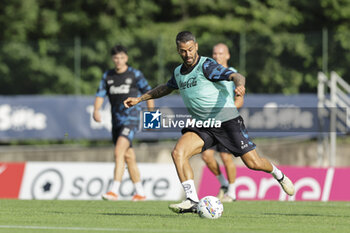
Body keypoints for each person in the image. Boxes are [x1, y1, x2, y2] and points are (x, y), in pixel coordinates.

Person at [124, 31, 294, 213]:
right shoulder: (178, 73)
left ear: (196, 46)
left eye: (190, 49)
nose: (187, 54)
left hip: (227, 121)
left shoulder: (207, 66)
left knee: (254, 163)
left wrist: (239, 85)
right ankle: (191, 200)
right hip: (203, 125)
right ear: (178, 50)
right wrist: (140, 99)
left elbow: (235, 76)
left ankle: (279, 175)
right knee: (178, 152)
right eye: (183, 51)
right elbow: (165, 88)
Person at [93, 45, 154, 201]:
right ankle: (140, 192)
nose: (118, 61)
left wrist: (151, 116)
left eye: (121, 58)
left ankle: (114, 190)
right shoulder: (108, 76)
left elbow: (149, 94)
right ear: (112, 59)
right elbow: (100, 94)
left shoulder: (135, 74)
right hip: (116, 121)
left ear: (126, 58)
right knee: (128, 156)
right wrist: (96, 110)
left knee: (119, 151)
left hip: (131, 119)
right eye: (115, 58)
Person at [201, 43, 239, 202]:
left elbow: (240, 101)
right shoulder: (209, 74)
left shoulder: (233, 74)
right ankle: (223, 184)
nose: (217, 56)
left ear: (228, 55)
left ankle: (232, 192)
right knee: (206, 155)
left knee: (225, 157)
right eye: (214, 53)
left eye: (221, 53)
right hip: (209, 121)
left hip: (225, 120)